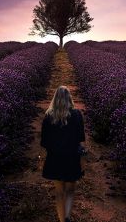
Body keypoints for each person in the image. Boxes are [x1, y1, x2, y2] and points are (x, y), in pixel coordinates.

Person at [41, 86, 85, 222]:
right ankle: (67, 216)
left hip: (55, 158)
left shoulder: (48, 116)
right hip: (72, 157)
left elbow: (44, 142)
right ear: (69, 98)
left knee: (59, 192)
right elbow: (81, 140)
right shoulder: (77, 115)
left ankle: (62, 220)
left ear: (55, 98)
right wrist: (83, 161)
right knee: (70, 189)